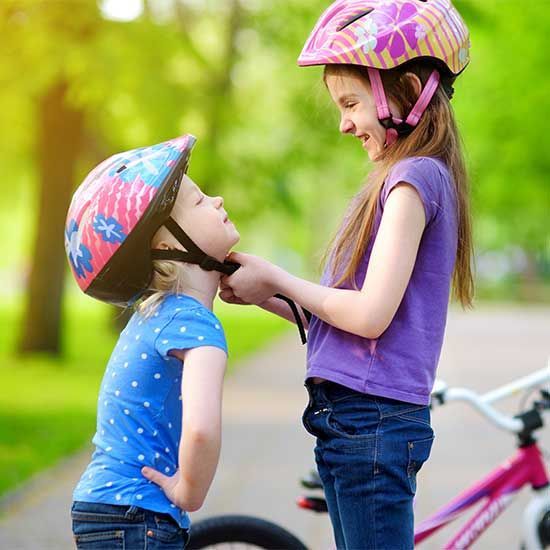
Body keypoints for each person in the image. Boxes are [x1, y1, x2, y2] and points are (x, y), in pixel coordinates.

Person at [219, 1, 474, 548]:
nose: (343, 122)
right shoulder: (407, 178)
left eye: (351, 102)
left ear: (405, 90)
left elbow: (369, 315)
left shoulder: (412, 178)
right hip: (353, 419)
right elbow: (344, 316)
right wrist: (264, 291)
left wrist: (281, 278)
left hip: (371, 424)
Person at [65, 135, 240, 549]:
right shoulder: (194, 324)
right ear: (169, 246)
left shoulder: (158, 314)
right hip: (137, 514)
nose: (215, 200)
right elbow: (200, 430)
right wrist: (189, 493)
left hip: (107, 506)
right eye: (198, 202)